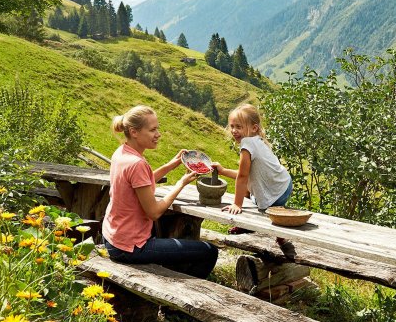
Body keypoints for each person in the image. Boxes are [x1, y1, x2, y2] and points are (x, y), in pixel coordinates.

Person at [102, 105, 218, 278]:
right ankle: (186, 296)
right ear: (134, 132)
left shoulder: (122, 153)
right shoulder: (137, 164)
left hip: (112, 237)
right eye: (152, 130)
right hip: (131, 247)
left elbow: (141, 182)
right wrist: (181, 183)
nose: (158, 134)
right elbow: (154, 212)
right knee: (209, 251)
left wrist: (171, 164)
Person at [212, 103, 294, 252]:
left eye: (239, 127)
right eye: (232, 126)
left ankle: (275, 233)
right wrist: (222, 171)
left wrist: (237, 204)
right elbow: (246, 176)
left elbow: (243, 177)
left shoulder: (247, 144)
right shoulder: (257, 141)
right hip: (283, 184)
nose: (234, 131)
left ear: (254, 128)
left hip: (276, 192)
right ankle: (256, 226)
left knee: (262, 206)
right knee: (253, 195)